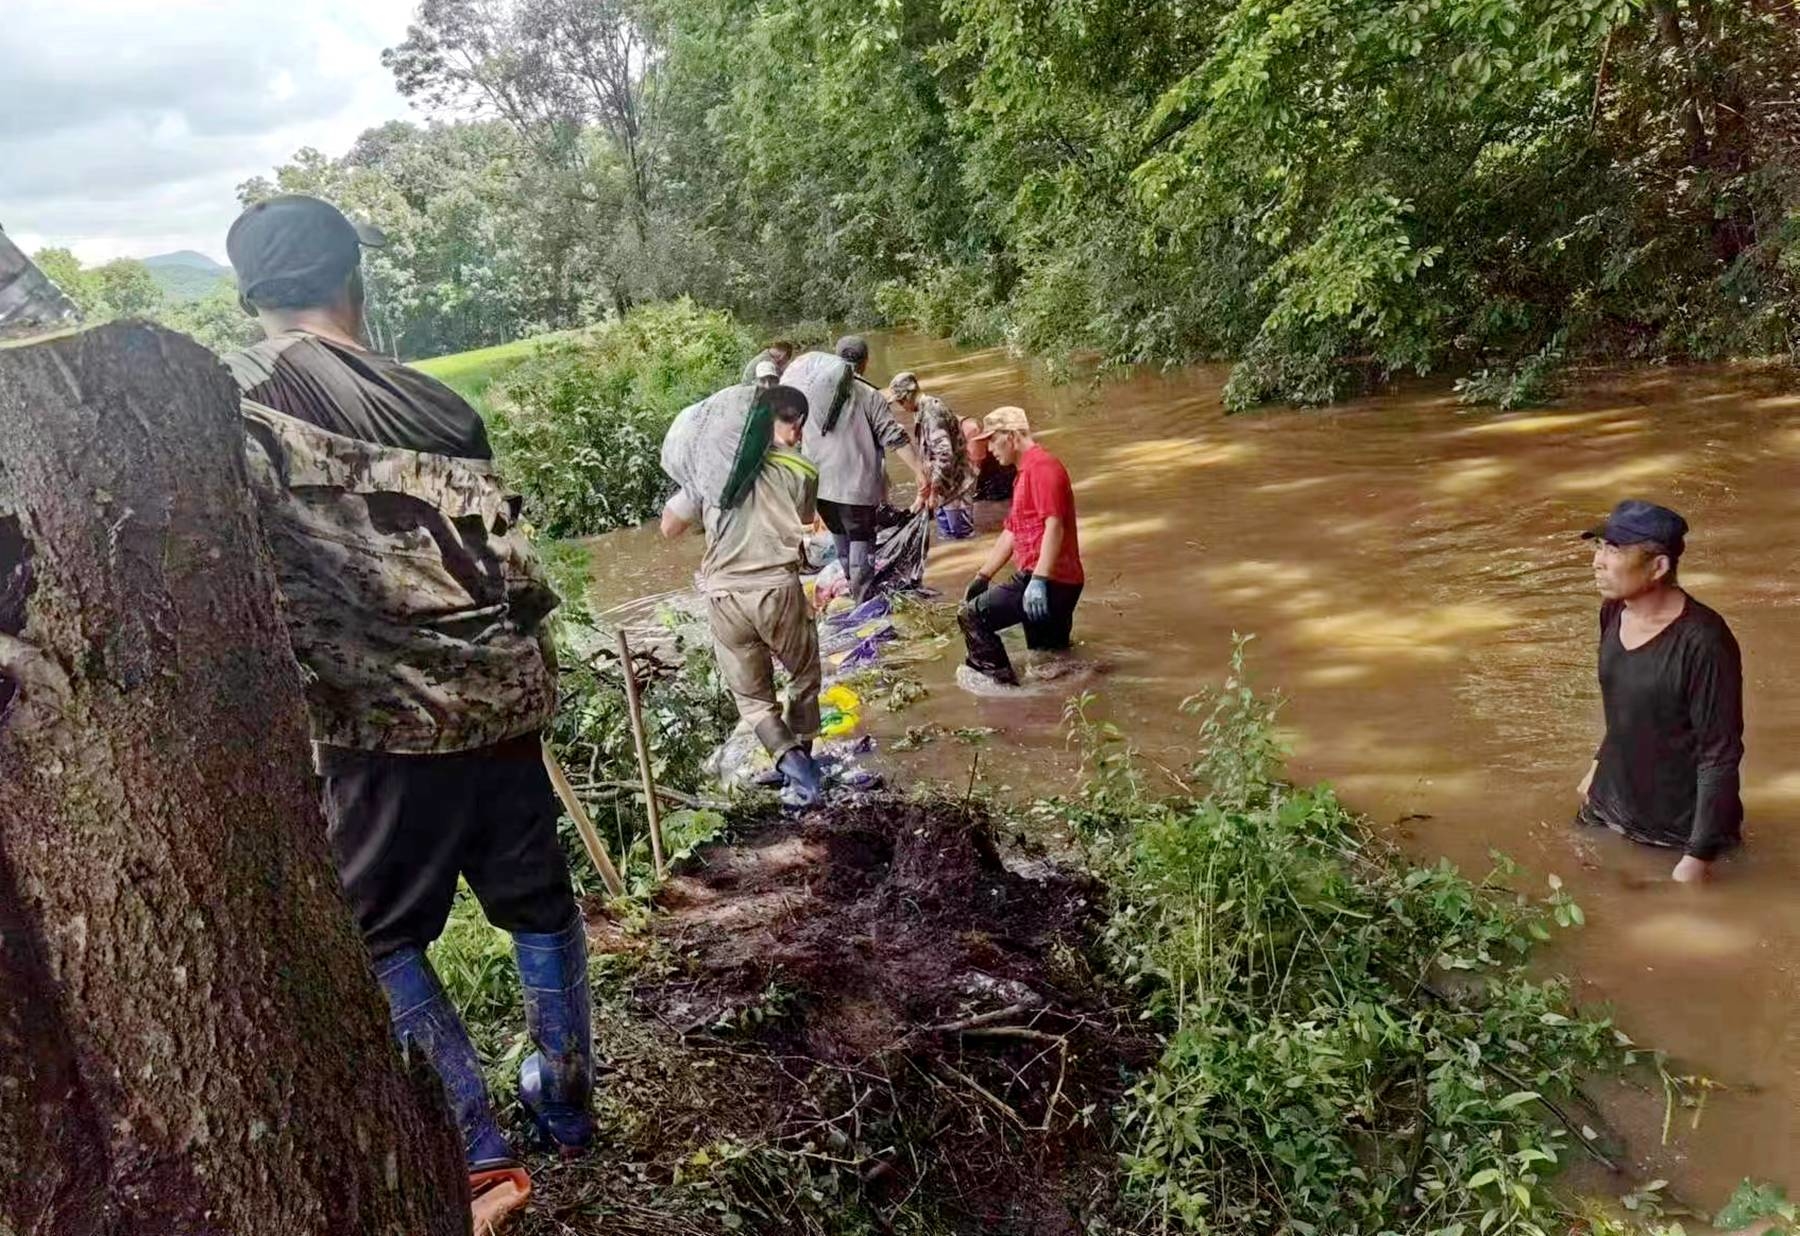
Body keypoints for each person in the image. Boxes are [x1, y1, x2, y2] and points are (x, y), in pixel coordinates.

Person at [222, 195, 590, 1202]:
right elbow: (520, 575)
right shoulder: (441, 405)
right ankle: (565, 1102)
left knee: (380, 932)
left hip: (379, 726)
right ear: (354, 277)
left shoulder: (236, 408)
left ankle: (477, 1149)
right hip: (503, 702)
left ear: (251, 296)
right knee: (538, 901)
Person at [660, 387, 827, 806]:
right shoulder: (801, 468)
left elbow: (669, 528)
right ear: (791, 425)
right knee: (803, 678)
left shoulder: (711, 471)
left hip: (724, 598)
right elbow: (806, 518)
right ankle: (803, 773)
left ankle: (789, 765)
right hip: (777, 591)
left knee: (753, 700)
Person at [1576, 499, 1744, 883]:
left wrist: (1697, 857)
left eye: (1614, 549)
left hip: (1673, 835)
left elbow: (1720, 753)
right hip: (1606, 808)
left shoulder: (1704, 642)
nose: (1597, 561)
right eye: (1599, 546)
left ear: (1658, 566)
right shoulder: (1613, 610)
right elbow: (1624, 707)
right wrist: (1596, 768)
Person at [793, 335, 928, 600]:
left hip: (819, 486)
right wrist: (919, 472)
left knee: (841, 537)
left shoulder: (808, 393)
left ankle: (850, 589)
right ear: (865, 362)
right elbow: (894, 437)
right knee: (861, 539)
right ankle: (863, 599)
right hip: (855, 488)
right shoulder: (867, 395)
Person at [958, 407, 1084, 687]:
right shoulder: (1024, 473)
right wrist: (983, 576)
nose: (989, 449)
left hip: (1049, 579)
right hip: (1053, 580)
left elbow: (1055, 526)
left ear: (1012, 436)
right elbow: (1013, 531)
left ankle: (1000, 687)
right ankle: (1073, 691)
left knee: (972, 616)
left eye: (992, 440)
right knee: (1048, 660)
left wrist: (1038, 580)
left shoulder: (1043, 469)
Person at [889, 371, 975, 540]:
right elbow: (929, 455)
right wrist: (924, 493)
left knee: (961, 537)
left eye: (900, 401)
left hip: (956, 487)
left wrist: (933, 492)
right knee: (947, 538)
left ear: (907, 396)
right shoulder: (920, 411)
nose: (900, 406)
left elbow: (944, 456)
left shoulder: (932, 413)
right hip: (944, 488)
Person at [965, 415, 1017, 503]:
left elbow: (976, 462)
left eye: (992, 440)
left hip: (997, 478)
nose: (989, 447)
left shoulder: (971, 430)